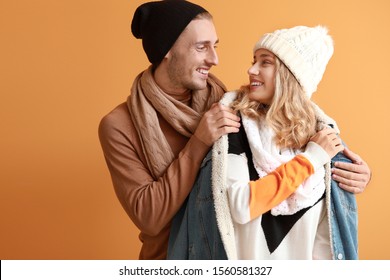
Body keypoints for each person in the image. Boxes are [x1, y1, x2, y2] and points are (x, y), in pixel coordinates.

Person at [99, 0, 371, 260]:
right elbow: (149, 217)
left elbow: (292, 128)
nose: (214, 59)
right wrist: (199, 142)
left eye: (215, 46)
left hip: (228, 254)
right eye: (201, 47)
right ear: (167, 50)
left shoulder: (227, 102)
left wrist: (350, 171)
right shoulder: (120, 125)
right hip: (170, 260)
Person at [168, 25, 359, 260]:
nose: (251, 69)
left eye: (265, 62)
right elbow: (241, 204)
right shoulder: (235, 124)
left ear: (291, 75)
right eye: (254, 60)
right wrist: (310, 160)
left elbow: (326, 240)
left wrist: (361, 174)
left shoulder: (323, 139)